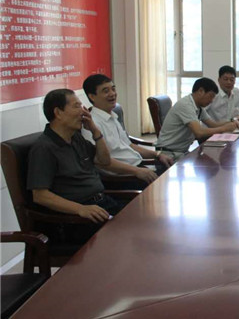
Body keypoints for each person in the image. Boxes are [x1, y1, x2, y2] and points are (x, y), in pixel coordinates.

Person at [27, 89, 122, 231]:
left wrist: (95, 131)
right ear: (58, 113)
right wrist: (80, 209)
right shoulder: (44, 148)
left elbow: (104, 161)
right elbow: (40, 196)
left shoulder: (76, 138)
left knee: (139, 221)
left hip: (101, 202)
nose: (83, 112)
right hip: (75, 218)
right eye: (77, 106)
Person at [82, 74, 173, 183]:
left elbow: (129, 145)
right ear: (92, 96)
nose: (112, 94)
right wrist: (137, 171)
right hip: (122, 177)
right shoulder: (91, 125)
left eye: (113, 89)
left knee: (174, 172)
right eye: (106, 91)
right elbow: (101, 162)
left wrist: (157, 154)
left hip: (136, 167)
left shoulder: (112, 116)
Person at [155, 77, 239, 160]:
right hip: (168, 154)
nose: (212, 100)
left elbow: (213, 124)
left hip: (181, 152)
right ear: (200, 91)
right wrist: (224, 128)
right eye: (210, 96)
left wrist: (231, 121)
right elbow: (199, 132)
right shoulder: (186, 105)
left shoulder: (198, 107)